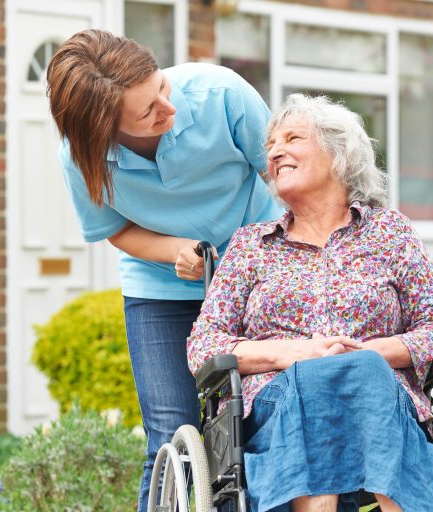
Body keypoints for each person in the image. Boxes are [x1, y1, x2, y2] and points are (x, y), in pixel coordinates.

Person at [188, 94, 433, 512]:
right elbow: (202, 346)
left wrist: (370, 353)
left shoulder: (389, 234)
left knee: (355, 370)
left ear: (338, 153)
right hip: (278, 403)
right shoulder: (251, 246)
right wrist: (296, 354)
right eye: (271, 144)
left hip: (380, 402)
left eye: (292, 138)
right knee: (317, 376)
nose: (274, 151)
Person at [46, 29, 284, 512]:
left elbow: (286, 177)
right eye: (148, 113)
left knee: (263, 420)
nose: (167, 111)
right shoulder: (82, 158)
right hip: (160, 291)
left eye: (161, 89)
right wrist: (174, 248)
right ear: (104, 131)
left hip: (257, 281)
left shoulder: (221, 94)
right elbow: (115, 230)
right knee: (172, 438)